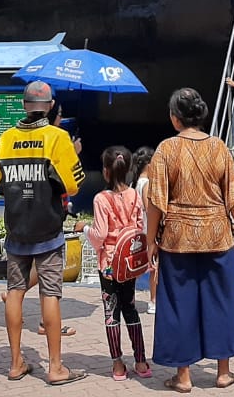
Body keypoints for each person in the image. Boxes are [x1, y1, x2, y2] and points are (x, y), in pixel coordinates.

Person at [146, 88, 234, 392]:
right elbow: (232, 197)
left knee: (179, 304)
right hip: (217, 235)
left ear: (175, 119)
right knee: (222, 301)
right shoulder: (219, 147)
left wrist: (150, 239)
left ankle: (184, 376)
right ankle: (223, 372)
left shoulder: (166, 149)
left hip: (177, 238)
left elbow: (156, 201)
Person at [0, 80, 86, 385]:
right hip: (48, 230)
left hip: (17, 229)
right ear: (51, 105)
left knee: (16, 291)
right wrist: (74, 153)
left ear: (23, 105)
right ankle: (55, 367)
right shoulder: (58, 137)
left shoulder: (6, 138)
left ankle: (16, 363)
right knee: (50, 293)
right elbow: (73, 184)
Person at [81, 146, 151, 381]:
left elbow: (100, 235)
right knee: (130, 308)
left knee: (111, 313)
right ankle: (141, 362)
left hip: (109, 265)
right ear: (129, 169)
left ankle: (118, 364)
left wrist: (85, 229)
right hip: (129, 263)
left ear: (106, 172)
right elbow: (140, 227)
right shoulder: (135, 195)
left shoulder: (101, 199)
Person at [130, 146, 158, 315]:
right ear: (148, 164)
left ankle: (130, 299)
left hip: (137, 231)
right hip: (148, 230)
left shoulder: (135, 183)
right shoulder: (146, 184)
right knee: (154, 267)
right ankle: (154, 300)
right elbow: (150, 210)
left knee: (136, 267)